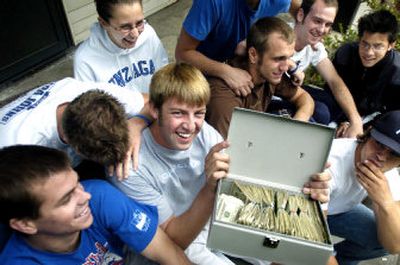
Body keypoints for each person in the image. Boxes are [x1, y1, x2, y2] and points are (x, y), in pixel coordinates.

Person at [110, 62, 332, 264]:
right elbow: (174, 240)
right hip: (181, 239)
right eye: (178, 113)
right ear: (154, 110)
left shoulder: (205, 133)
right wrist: (210, 187)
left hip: (221, 217)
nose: (190, 126)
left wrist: (304, 190)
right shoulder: (130, 165)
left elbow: (249, 182)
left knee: (300, 257)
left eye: (199, 113)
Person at [0, 145, 191, 265]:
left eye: (77, 184)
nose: (85, 196)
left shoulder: (99, 196)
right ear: (25, 224)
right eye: (66, 199)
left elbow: (169, 254)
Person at [0, 77, 148, 178]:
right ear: (70, 144)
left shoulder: (83, 91)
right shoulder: (21, 148)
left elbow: (154, 101)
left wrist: (136, 124)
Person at [206, 16, 314, 138]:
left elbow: (305, 98)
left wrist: (297, 124)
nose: (285, 67)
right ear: (253, 55)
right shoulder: (224, 96)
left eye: (289, 58)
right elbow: (221, 152)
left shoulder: (269, 73)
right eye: (278, 58)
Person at [175, 0, 301, 96]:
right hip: (201, 76)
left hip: (243, 65)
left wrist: (283, 57)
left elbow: (303, 12)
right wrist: (225, 71)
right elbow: (182, 53)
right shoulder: (211, 3)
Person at [326, 110, 400, 265]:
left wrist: (385, 202)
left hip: (337, 211)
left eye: (394, 153)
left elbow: (395, 245)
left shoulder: (389, 171)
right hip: (307, 211)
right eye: (379, 143)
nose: (381, 156)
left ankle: (342, 259)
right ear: (368, 134)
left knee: (382, 238)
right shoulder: (331, 161)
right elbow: (306, 233)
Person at [289, 0, 363, 138]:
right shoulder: (279, 34)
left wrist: (355, 120)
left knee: (331, 102)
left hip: (290, 92)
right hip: (269, 93)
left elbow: (335, 81)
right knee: (322, 112)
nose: (322, 30)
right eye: (317, 21)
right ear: (300, 15)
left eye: (328, 24)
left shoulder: (315, 47)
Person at [328, 9, 400, 137]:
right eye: (365, 44)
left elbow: (392, 118)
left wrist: (361, 127)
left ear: (391, 45)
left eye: (377, 46)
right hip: (338, 117)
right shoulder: (346, 54)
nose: (369, 52)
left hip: (373, 129)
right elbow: (331, 94)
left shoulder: (397, 74)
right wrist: (344, 120)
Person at [74, 0, 168, 93]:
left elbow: (164, 76)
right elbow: (88, 105)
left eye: (139, 23)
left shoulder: (148, 34)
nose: (135, 34)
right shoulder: (85, 60)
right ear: (104, 23)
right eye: (125, 27)